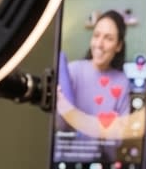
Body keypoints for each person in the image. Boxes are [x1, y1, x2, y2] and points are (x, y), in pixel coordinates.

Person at [54, 9, 137, 160]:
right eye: (96, 35)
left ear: (118, 46)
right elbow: (61, 128)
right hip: (67, 164)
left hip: (103, 166)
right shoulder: (71, 72)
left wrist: (79, 120)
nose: (99, 44)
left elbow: (118, 138)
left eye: (108, 38)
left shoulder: (122, 82)